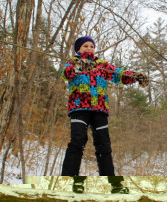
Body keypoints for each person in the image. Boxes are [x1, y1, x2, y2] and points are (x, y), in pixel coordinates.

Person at [59, 36, 148, 192]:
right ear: (78, 49)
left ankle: (114, 184)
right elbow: (66, 74)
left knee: (104, 146)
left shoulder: (101, 65)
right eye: (85, 46)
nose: (89, 48)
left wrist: (135, 76)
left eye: (91, 46)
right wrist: (79, 67)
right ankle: (71, 181)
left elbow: (118, 74)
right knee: (77, 141)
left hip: (99, 109)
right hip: (79, 107)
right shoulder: (73, 63)